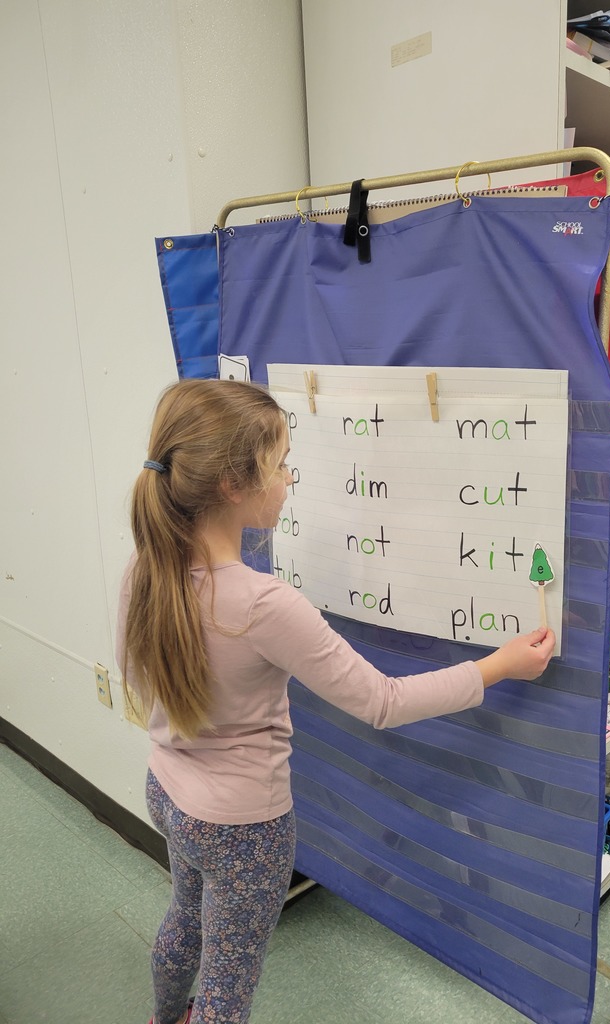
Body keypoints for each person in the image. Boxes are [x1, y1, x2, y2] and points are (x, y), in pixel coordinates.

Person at [116, 378, 556, 1024]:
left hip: (167, 793)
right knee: (225, 988)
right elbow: (382, 701)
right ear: (234, 487)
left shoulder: (145, 569)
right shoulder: (264, 606)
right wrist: (497, 666)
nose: (289, 480)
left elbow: (152, 680)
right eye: (279, 466)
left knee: (184, 920)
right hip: (244, 831)